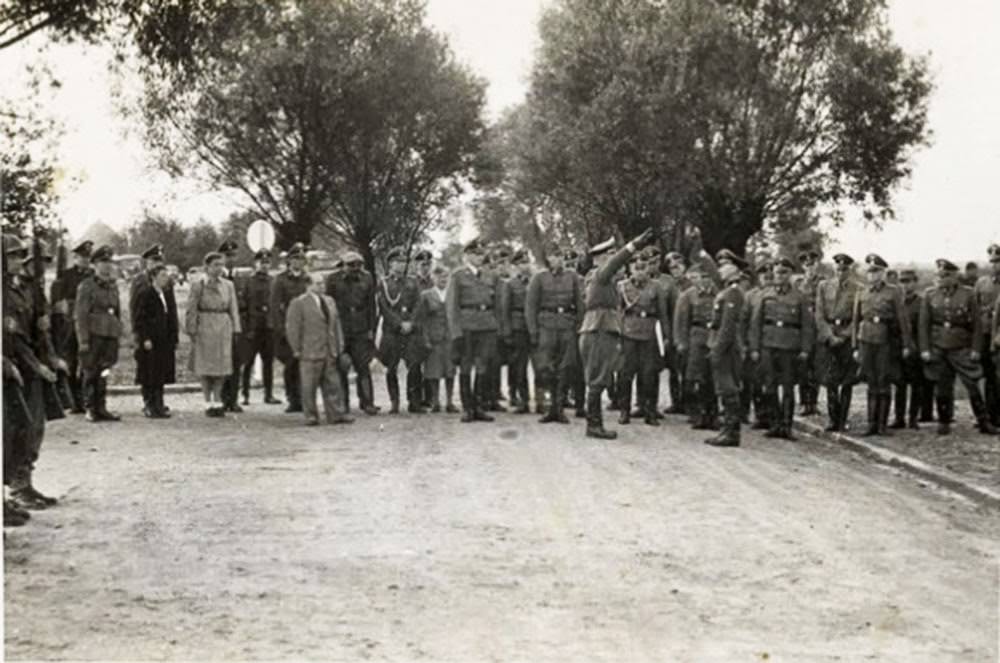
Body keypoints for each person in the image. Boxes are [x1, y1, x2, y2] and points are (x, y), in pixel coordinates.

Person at [578, 228, 654, 439]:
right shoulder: (600, 275)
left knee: (600, 377)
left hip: (601, 328)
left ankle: (594, 423)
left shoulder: (604, 279)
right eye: (610, 255)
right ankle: (593, 425)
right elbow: (614, 265)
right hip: (599, 329)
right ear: (600, 259)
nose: (614, 259)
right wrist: (634, 245)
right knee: (598, 378)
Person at [5, 235, 61, 513]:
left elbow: (40, 331)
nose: (41, 268)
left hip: (30, 367)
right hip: (17, 367)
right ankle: (16, 487)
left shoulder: (31, 291)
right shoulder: (10, 291)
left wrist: (50, 357)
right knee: (15, 429)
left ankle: (24, 483)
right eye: (16, 257)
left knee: (34, 427)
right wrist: (36, 365)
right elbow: (14, 338)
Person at [918, 259, 997, 435]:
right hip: (938, 346)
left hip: (961, 346)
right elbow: (924, 325)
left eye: (945, 275)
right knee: (942, 384)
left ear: (954, 277)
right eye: (939, 275)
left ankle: (983, 420)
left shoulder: (967, 294)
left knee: (972, 383)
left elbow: (977, 325)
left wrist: (976, 349)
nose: (941, 279)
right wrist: (925, 349)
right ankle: (944, 421)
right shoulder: (930, 294)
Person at [749, 256, 814, 440]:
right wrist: (754, 347)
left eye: (785, 272)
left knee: (787, 388)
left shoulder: (800, 298)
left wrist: (805, 349)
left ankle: (786, 426)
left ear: (791, 274)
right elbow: (756, 323)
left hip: (789, 347)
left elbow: (807, 326)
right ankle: (774, 424)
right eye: (778, 272)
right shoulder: (765, 295)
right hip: (768, 346)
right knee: (769, 387)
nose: (781, 276)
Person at [851, 254, 913, 436]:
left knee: (883, 381)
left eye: (876, 271)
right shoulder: (861, 292)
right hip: (866, 340)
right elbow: (856, 321)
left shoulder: (893, 292)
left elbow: (903, 319)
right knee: (871, 382)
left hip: (885, 341)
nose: (872, 275)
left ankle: (882, 425)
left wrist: (906, 344)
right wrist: (855, 346)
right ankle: (871, 423)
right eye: (870, 272)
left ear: (883, 273)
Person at [526, 242, 584, 424]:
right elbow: (531, 306)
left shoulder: (572, 277)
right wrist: (533, 331)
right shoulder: (539, 278)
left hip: (567, 325)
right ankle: (550, 408)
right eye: (553, 256)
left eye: (560, 256)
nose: (557, 259)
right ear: (548, 259)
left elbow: (580, 304)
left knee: (565, 367)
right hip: (546, 325)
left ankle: (559, 408)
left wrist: (579, 326)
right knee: (545, 367)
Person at [285, 272, 354, 426]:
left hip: (329, 349)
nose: (322, 286)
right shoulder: (299, 303)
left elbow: (336, 325)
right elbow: (293, 328)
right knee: (309, 385)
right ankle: (310, 415)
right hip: (309, 350)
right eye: (318, 283)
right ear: (308, 285)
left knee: (333, 383)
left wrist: (339, 344)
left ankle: (336, 413)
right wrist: (296, 348)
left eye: (323, 283)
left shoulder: (329, 301)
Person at [446, 238, 502, 423]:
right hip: (467, 325)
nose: (480, 257)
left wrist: (496, 325)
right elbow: (452, 306)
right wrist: (456, 333)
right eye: (476, 254)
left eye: (481, 254)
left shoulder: (489, 276)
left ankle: (479, 406)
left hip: (486, 325)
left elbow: (497, 303)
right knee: (465, 366)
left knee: (483, 366)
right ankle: (467, 408)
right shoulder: (458, 276)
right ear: (467, 255)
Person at [186, 252, 241, 417]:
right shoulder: (198, 285)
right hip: (205, 325)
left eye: (221, 265)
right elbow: (192, 308)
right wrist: (192, 329)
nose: (219, 268)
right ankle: (207, 401)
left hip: (223, 325)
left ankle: (218, 400)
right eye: (215, 265)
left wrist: (236, 328)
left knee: (222, 366)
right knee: (205, 366)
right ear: (207, 267)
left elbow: (233, 308)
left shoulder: (228, 285)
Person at [616, 252, 668, 426]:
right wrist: (617, 335)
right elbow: (618, 312)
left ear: (649, 268)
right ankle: (624, 411)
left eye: (643, 267)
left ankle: (650, 411)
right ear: (630, 268)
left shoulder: (656, 287)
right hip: (628, 333)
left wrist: (666, 337)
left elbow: (662, 314)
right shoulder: (622, 286)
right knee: (626, 374)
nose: (639, 271)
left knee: (649, 374)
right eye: (636, 267)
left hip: (649, 334)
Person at [326, 250, 379, 415]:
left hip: (361, 328)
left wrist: (371, 329)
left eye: (358, 264)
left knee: (363, 367)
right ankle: (344, 403)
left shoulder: (367, 278)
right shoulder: (333, 280)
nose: (355, 268)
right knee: (342, 366)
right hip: (341, 327)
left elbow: (371, 306)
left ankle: (367, 402)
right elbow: (329, 305)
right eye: (351, 265)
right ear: (342, 265)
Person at [75, 244, 123, 424]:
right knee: (90, 371)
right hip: (93, 334)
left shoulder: (113, 285)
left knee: (104, 371)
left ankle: (101, 407)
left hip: (109, 334)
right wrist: (83, 340)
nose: (107, 265)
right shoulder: (87, 286)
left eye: (109, 262)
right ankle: (90, 408)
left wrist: (117, 331)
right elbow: (80, 315)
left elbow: (116, 311)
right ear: (94, 264)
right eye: (103, 262)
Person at [814, 253, 861, 432]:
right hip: (829, 336)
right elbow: (819, 314)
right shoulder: (824, 286)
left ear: (850, 270)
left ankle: (843, 419)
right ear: (834, 269)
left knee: (847, 380)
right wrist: (829, 335)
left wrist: (845, 336)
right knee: (830, 379)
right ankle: (833, 419)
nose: (841, 272)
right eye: (838, 268)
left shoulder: (857, 288)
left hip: (847, 337)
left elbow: (858, 317)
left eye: (844, 269)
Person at [377, 246, 426, 414]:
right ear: (390, 264)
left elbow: (419, 304)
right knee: (391, 366)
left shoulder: (412, 282)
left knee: (414, 366)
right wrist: (399, 324)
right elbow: (384, 307)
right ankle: (394, 402)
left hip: (411, 330)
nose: (401, 265)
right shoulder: (384, 283)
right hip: (393, 330)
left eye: (404, 262)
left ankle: (414, 402)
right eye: (398, 262)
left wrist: (410, 323)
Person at [705, 263, 746, 447]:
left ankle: (731, 432)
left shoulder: (733, 293)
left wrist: (717, 349)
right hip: (723, 346)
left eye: (724, 267)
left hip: (727, 349)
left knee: (727, 388)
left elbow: (728, 326)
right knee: (723, 388)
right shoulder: (728, 291)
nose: (719, 270)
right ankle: (727, 430)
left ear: (733, 272)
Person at [49, 239, 93, 413]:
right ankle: (72, 400)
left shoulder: (92, 276)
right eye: (82, 257)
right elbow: (57, 302)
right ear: (75, 257)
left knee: (87, 363)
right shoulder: (66, 276)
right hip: (68, 326)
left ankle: (84, 398)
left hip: (87, 325)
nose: (85, 260)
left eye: (88, 257)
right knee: (70, 362)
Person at [674, 265, 719, 430]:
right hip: (696, 339)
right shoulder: (688, 296)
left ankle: (712, 415)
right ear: (697, 278)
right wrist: (681, 342)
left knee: (712, 378)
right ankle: (697, 414)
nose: (706, 280)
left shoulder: (719, 294)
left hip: (714, 339)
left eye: (708, 276)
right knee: (694, 377)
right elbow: (681, 321)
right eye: (702, 276)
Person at [132, 264, 178, 418]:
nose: (166, 279)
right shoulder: (146, 293)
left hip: (163, 340)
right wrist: (144, 337)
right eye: (162, 275)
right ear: (154, 277)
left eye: (166, 275)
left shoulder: (164, 293)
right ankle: (149, 404)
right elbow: (140, 318)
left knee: (160, 373)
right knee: (149, 373)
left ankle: (159, 403)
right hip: (151, 340)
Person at [271, 243, 311, 413]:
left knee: (305, 364)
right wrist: (280, 328)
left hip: (306, 327)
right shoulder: (280, 280)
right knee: (290, 363)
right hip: (288, 326)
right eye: (295, 258)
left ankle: (303, 397)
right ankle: (292, 398)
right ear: (289, 261)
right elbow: (275, 305)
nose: (298, 262)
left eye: (301, 259)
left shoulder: (307, 279)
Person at [238, 249, 280, 405]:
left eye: (267, 262)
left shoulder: (273, 281)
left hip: (268, 327)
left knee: (268, 362)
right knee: (248, 361)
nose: (264, 265)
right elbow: (244, 306)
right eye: (262, 262)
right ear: (255, 264)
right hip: (253, 327)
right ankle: (245, 394)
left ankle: (269, 394)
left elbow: (275, 305)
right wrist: (247, 328)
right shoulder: (249, 282)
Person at [417, 265, 458, 413]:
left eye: (446, 277)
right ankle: (435, 401)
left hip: (450, 337)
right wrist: (425, 339)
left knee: (450, 370)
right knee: (433, 371)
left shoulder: (452, 294)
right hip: (434, 338)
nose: (443, 280)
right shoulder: (426, 295)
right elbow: (422, 320)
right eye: (439, 277)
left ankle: (450, 401)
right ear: (433, 278)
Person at [499, 248, 533, 414]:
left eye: (527, 262)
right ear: (515, 266)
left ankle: (540, 400)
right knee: (519, 365)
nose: (525, 266)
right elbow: (505, 310)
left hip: (533, 327)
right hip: (518, 326)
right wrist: (507, 331)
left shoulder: (535, 281)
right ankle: (521, 398)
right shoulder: (510, 284)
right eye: (521, 263)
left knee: (539, 365)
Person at [891, 268, 925, 429]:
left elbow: (923, 327)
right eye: (902, 282)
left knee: (917, 385)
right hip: (899, 349)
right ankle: (899, 418)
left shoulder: (921, 302)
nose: (906, 285)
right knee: (899, 384)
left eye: (909, 282)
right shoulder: (897, 302)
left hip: (916, 348)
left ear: (915, 282)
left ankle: (913, 418)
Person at [973, 244, 1000, 428]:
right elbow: (974, 307)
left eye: (998, 261)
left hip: (998, 334)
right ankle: (989, 415)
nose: (995, 265)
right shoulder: (982, 283)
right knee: (987, 374)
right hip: (984, 332)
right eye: (992, 262)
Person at [218, 240, 244, 413]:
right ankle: (221, 398)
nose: (231, 259)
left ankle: (233, 399)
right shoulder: (217, 278)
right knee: (221, 362)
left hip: (237, 325)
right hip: (220, 326)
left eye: (233, 255)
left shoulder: (241, 278)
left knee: (235, 363)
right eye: (228, 256)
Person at [797, 248, 823, 416]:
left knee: (817, 367)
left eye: (812, 264)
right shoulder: (797, 284)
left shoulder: (823, 282)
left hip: (818, 329)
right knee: (803, 367)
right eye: (807, 265)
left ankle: (813, 402)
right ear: (802, 266)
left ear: (817, 264)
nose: (810, 267)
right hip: (802, 330)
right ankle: (804, 402)